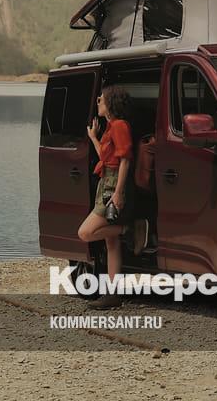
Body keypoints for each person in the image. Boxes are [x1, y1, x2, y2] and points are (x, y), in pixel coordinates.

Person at [77, 85, 148, 309]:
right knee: (111, 242)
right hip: (106, 180)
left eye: (102, 98)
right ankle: (113, 294)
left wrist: (118, 192)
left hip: (113, 183)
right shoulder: (111, 127)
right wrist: (93, 138)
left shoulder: (119, 125)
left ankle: (130, 229)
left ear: (111, 103)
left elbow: (125, 160)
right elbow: (106, 157)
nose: (98, 101)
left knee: (85, 232)